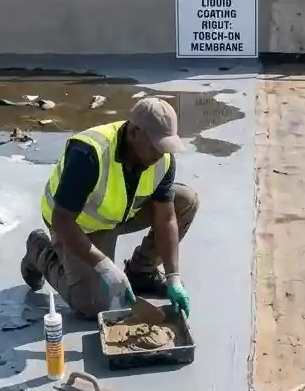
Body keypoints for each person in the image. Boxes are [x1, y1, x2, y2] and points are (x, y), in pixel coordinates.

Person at [21, 98, 197, 318]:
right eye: (155, 145)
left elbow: (166, 218)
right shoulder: (89, 153)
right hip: (78, 224)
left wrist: (173, 277)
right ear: (134, 133)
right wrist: (104, 266)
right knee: (93, 303)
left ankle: (141, 272)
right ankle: (39, 250)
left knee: (186, 201)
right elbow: (62, 221)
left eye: (165, 145)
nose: (160, 153)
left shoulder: (162, 159)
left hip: (120, 213)